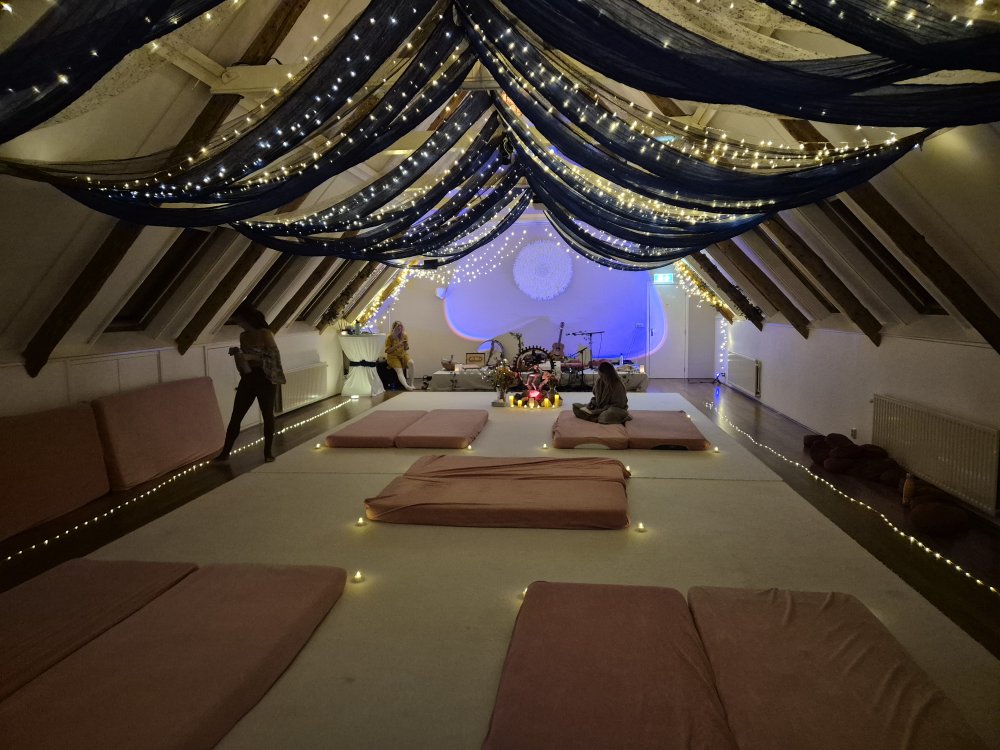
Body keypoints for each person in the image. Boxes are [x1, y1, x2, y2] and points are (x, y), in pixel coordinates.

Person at [216, 304, 286, 462]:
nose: (238, 324)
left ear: (247, 320)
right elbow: (244, 361)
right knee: (236, 415)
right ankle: (225, 453)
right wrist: (238, 354)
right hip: (249, 377)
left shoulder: (265, 334)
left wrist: (250, 357)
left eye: (239, 321)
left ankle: (268, 453)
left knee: (267, 414)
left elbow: (274, 358)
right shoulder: (243, 336)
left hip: (266, 378)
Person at [385, 320, 415, 390]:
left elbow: (406, 348)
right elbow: (387, 351)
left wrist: (406, 345)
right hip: (392, 356)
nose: (399, 330)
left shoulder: (404, 335)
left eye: (401, 328)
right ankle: (406, 386)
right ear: (394, 329)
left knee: (411, 363)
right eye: (397, 328)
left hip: (403, 354)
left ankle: (411, 383)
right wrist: (397, 345)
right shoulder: (390, 337)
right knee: (399, 370)